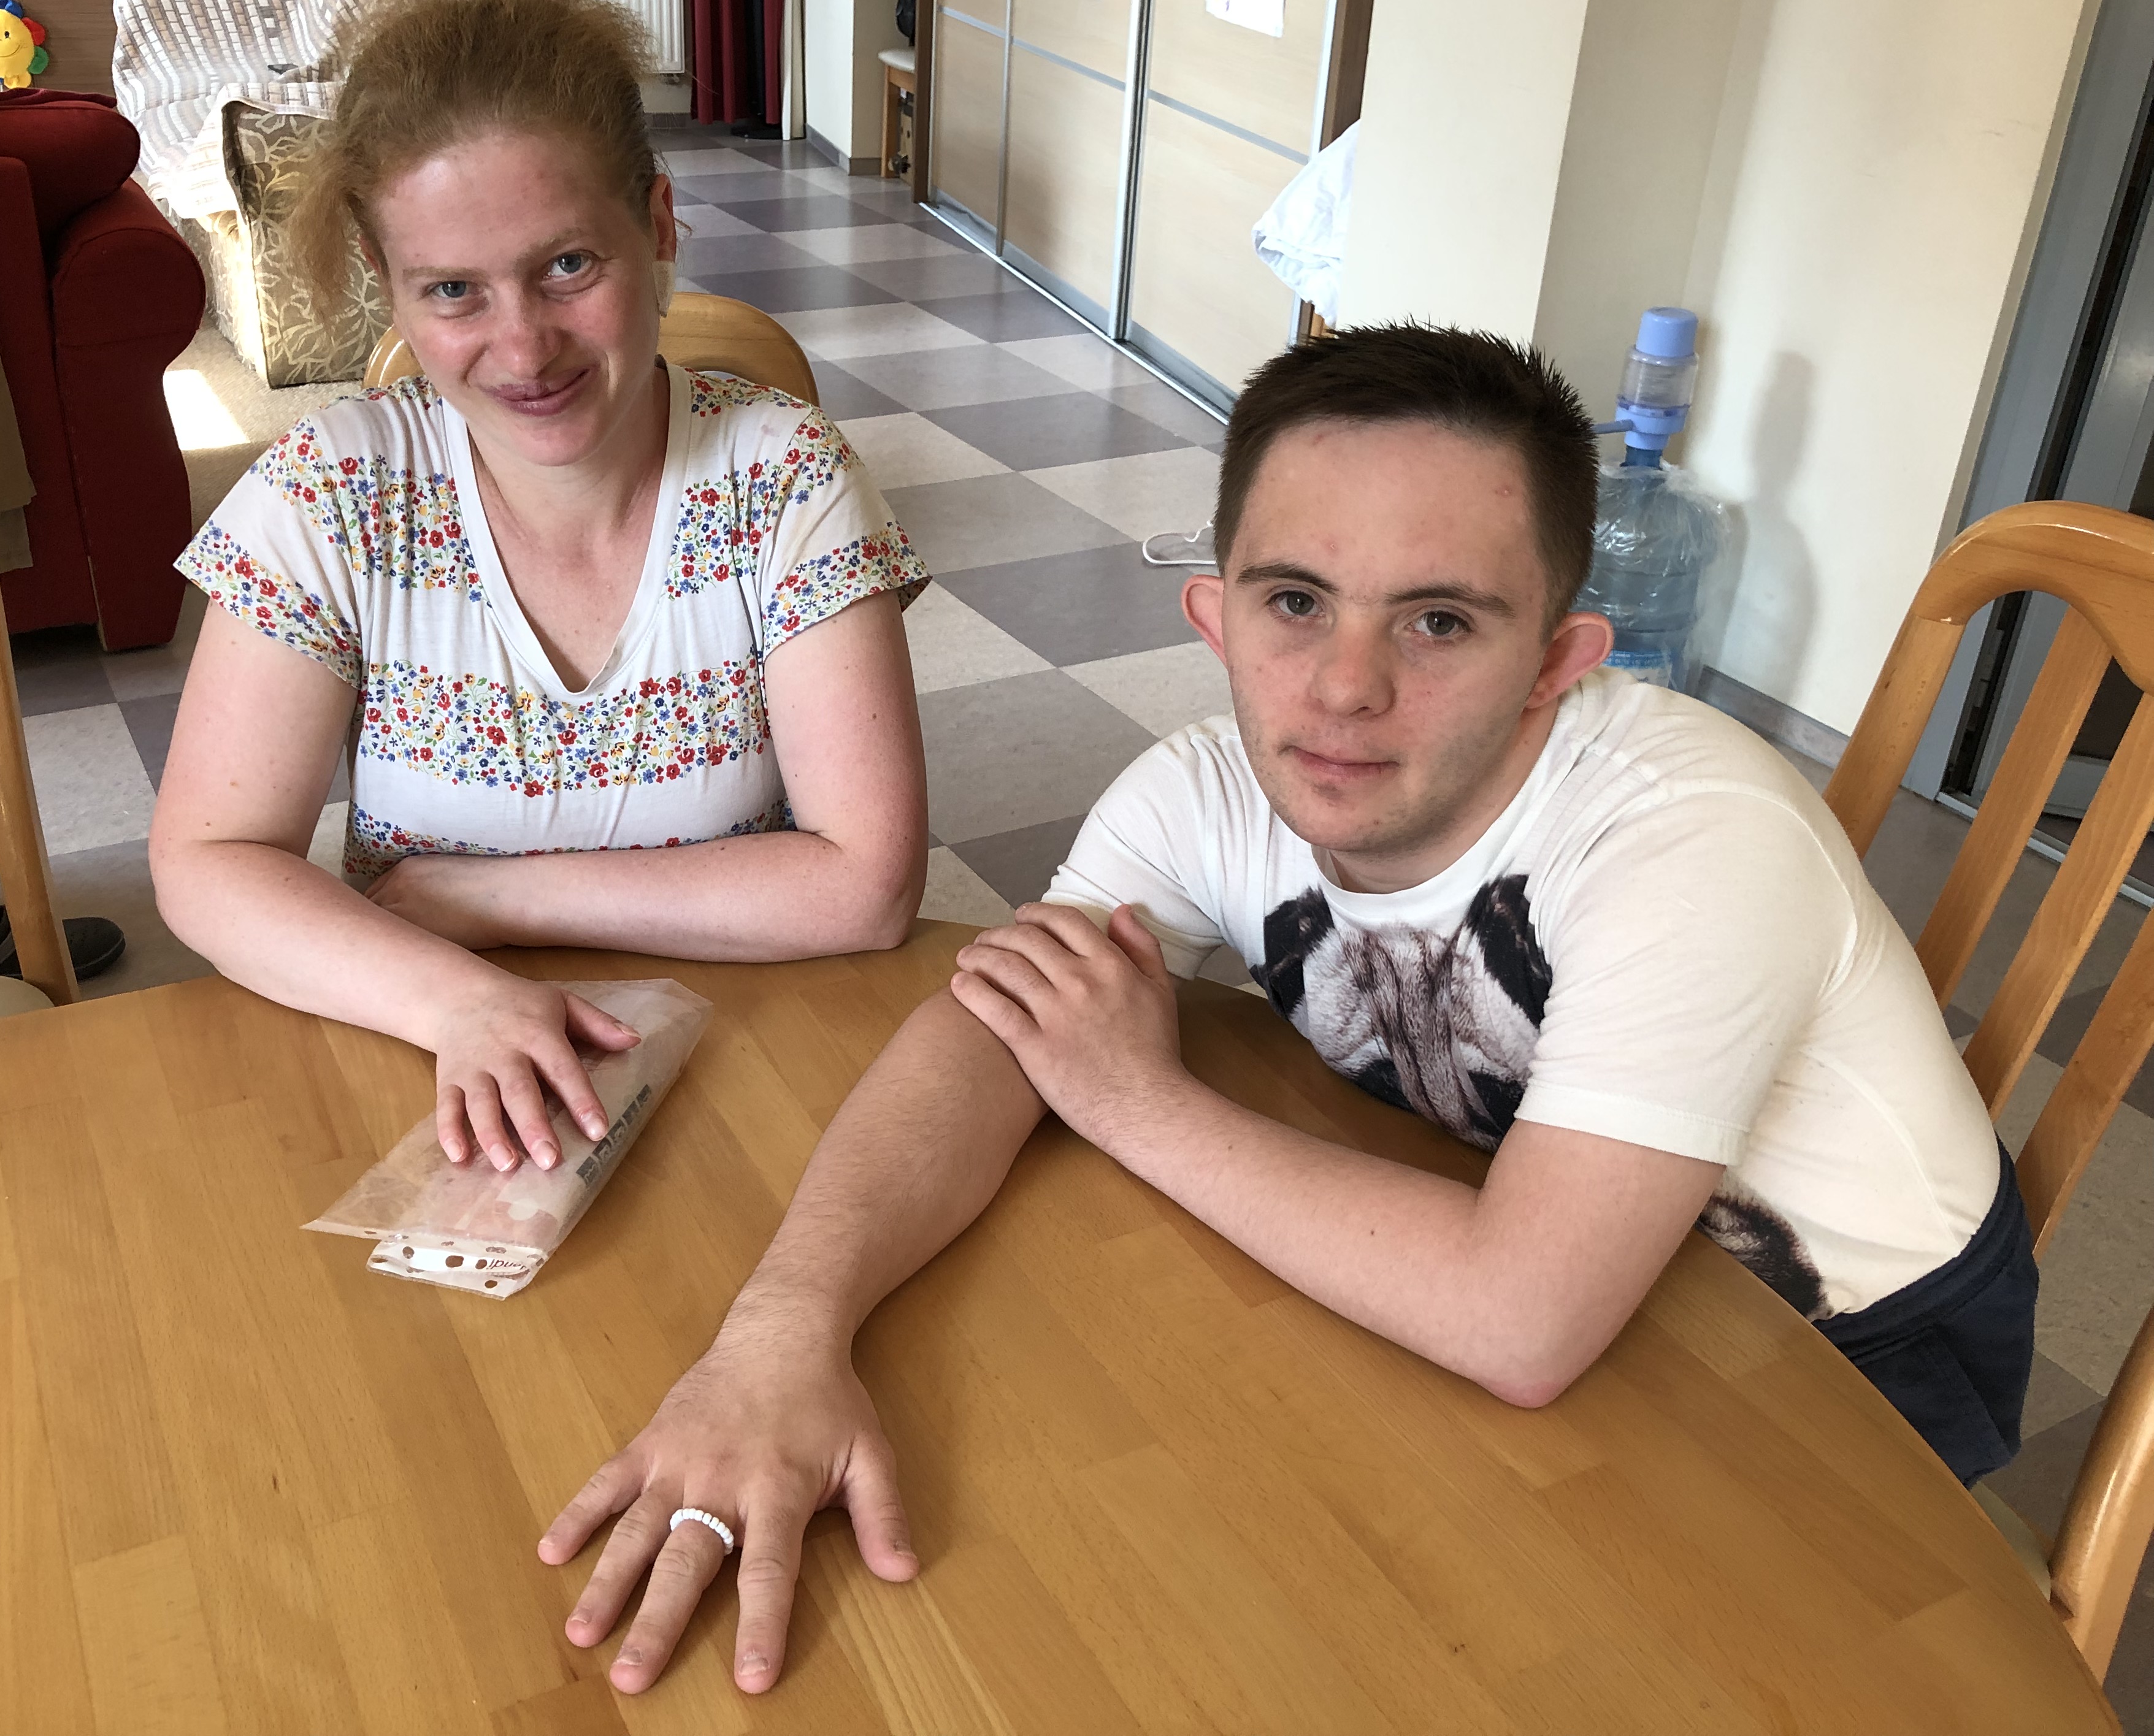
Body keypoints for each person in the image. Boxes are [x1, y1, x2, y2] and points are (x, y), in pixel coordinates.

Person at [535, 325, 2030, 1695]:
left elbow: (1518, 1319)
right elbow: (998, 1027)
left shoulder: (1693, 837)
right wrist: (783, 1329)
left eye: (1440, 622)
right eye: (1296, 602)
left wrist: (1131, 1094)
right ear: (1215, 613)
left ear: (1563, 661)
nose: (1344, 688)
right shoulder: (1200, 789)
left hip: (1851, 1358)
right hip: (1530, 1239)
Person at [149, 0, 930, 1174]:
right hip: (420, 1060)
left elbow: (866, 888)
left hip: (757, 1062)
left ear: (657, 223)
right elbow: (207, 861)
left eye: (567, 265)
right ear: (387, 276)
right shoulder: (329, 496)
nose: (520, 348)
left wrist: (483, 901)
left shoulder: (786, 475)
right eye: (452, 290)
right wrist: (457, 1001)